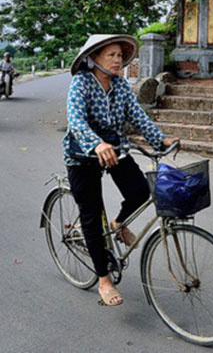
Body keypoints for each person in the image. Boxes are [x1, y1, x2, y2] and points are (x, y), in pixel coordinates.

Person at [63, 34, 176, 307]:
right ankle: (103, 279)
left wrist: (160, 139)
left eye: (120, 56)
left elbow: (137, 116)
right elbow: (75, 121)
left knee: (141, 192)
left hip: (115, 150)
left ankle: (118, 222)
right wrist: (96, 144)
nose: (118, 61)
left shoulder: (122, 86)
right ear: (94, 58)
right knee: (91, 216)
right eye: (111, 55)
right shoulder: (81, 83)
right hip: (82, 155)